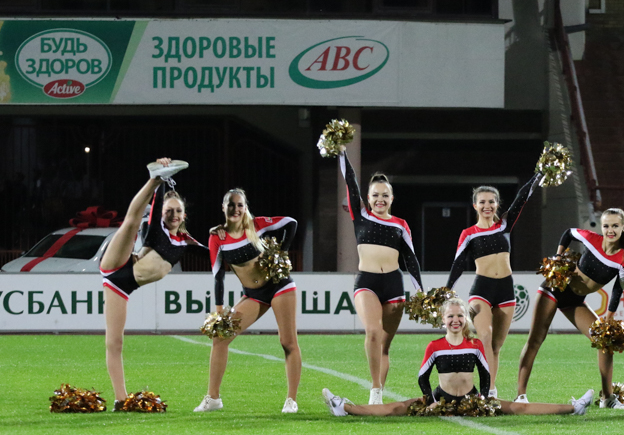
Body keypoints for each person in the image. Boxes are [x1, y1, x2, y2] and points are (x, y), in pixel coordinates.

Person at [322, 298, 593, 417]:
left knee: (517, 407)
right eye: (450, 316)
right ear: (443, 319)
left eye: (460, 316)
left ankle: (574, 408)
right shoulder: (435, 346)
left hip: (472, 399)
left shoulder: (474, 345)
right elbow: (423, 377)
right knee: (398, 407)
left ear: (465, 319)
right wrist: (430, 401)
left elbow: (485, 373)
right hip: (440, 399)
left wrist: (483, 399)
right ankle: (345, 408)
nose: (455, 320)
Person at [516, 208, 624, 410]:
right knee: (535, 340)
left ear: (623, 227)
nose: (610, 230)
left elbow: (618, 290)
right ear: (601, 227)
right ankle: (520, 396)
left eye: (615, 226)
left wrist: (609, 318)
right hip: (556, 288)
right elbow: (568, 233)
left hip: (575, 300)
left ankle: (607, 398)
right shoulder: (592, 239)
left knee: (605, 341)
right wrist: (558, 257)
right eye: (606, 226)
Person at [101, 158, 199, 406]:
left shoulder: (184, 241)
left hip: (122, 286)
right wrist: (159, 179)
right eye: (169, 211)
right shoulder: (157, 230)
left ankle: (120, 401)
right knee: (131, 222)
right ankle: (153, 177)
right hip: (117, 267)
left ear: (185, 215)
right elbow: (151, 212)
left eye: (178, 211)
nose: (173, 215)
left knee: (116, 342)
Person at [194, 188, 301, 413]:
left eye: (240, 205)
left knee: (288, 342)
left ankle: (291, 400)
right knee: (220, 338)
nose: (236, 209)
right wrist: (220, 310)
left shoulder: (256, 225)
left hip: (279, 285)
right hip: (253, 295)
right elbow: (218, 275)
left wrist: (283, 252)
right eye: (231, 205)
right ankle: (213, 398)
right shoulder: (217, 237)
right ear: (223, 207)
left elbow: (291, 222)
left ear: (245, 207)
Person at [444, 173, 541, 398]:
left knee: (496, 346)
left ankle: (490, 390)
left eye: (491, 201)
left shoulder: (504, 225)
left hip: (506, 290)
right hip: (482, 290)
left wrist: (540, 175)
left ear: (497, 204)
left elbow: (522, 197)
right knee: (485, 336)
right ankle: (489, 391)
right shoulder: (468, 234)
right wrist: (447, 291)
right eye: (482, 202)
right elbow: (458, 264)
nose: (487, 206)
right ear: (475, 205)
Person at [338, 153, 424, 405]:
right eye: (375, 195)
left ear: (392, 199)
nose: (380, 199)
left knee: (384, 345)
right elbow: (350, 180)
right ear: (368, 198)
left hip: (394, 285)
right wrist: (342, 151)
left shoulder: (401, 225)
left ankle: (378, 395)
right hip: (367, 282)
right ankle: (375, 389)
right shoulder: (360, 215)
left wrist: (420, 291)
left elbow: (411, 259)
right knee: (373, 332)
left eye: (385, 195)